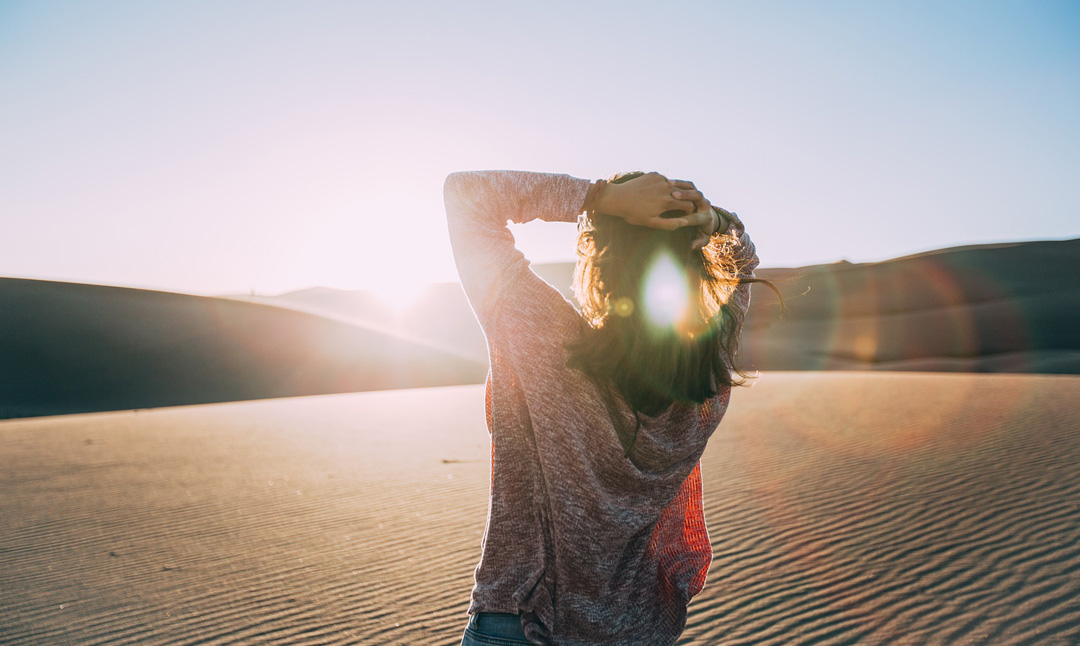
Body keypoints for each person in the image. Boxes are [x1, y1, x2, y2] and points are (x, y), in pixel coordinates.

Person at [444, 170, 760, 646]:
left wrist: (601, 197)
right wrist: (713, 220)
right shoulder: (705, 382)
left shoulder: (541, 335)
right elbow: (743, 259)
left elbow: (465, 196)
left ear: (599, 257)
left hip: (524, 623)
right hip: (640, 633)